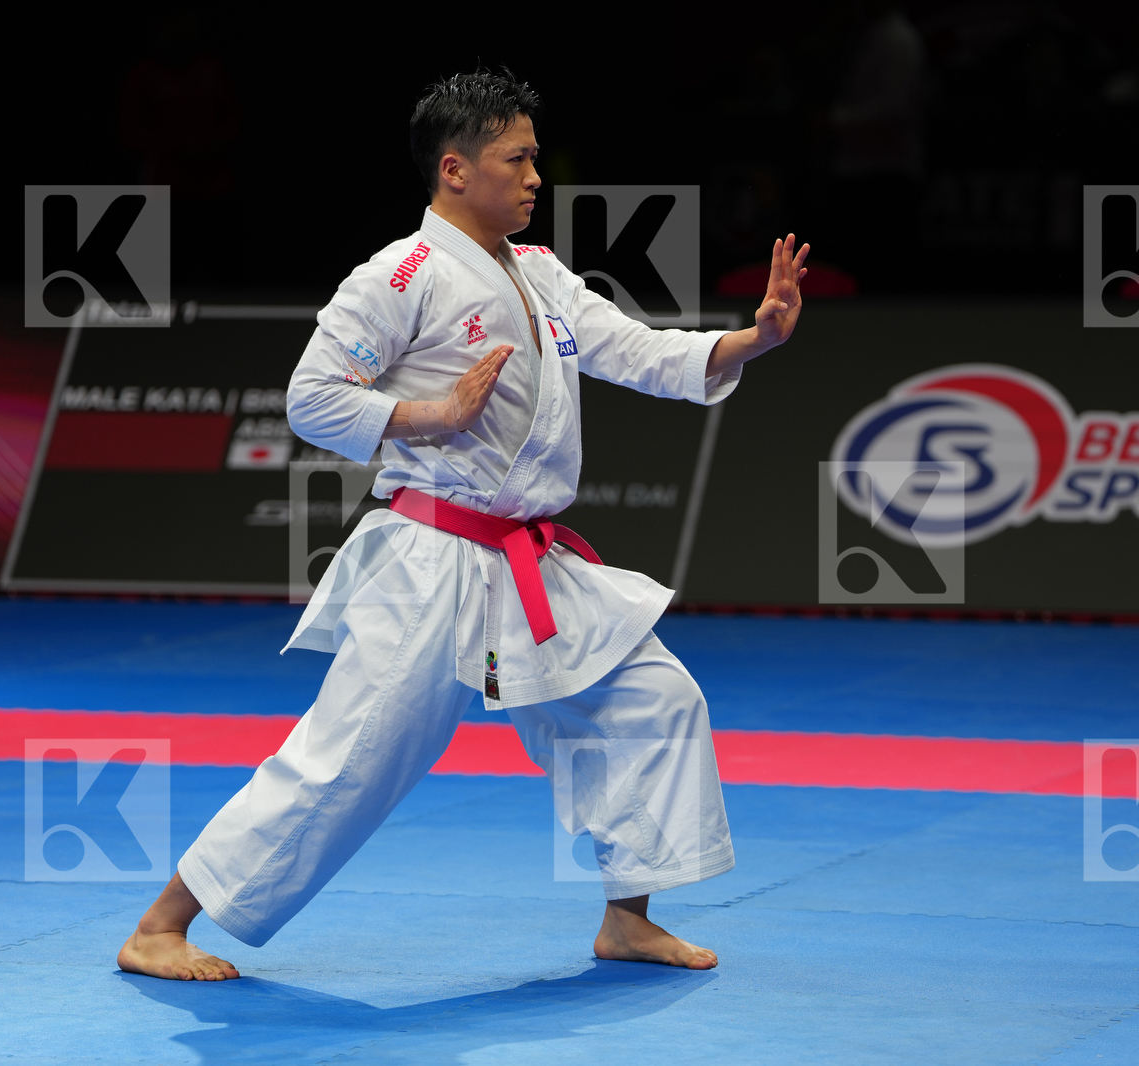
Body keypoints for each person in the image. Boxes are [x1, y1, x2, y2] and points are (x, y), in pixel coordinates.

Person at [117, 68, 808, 982]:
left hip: (529, 558)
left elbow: (636, 350)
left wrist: (751, 340)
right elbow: (311, 399)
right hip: (432, 557)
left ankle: (629, 917)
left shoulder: (540, 273)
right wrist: (429, 416)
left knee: (652, 699)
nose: (534, 177)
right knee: (351, 760)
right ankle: (161, 925)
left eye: (533, 158)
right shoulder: (400, 274)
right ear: (454, 169)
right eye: (515, 159)